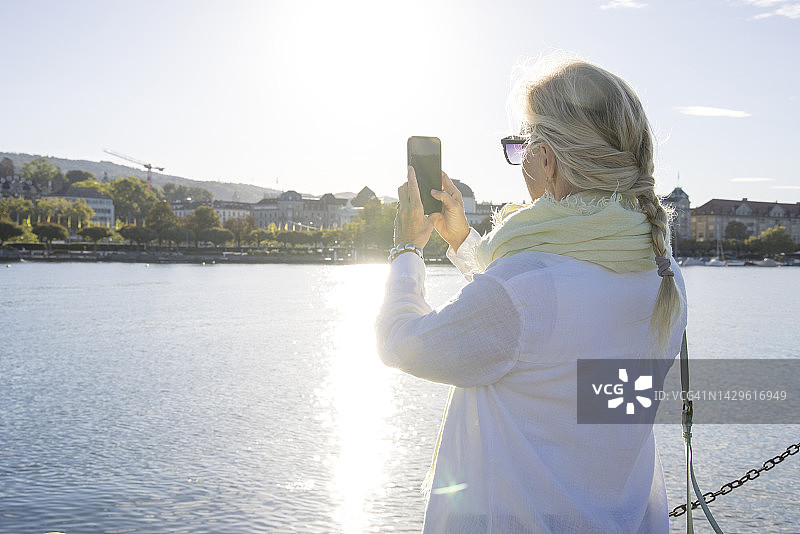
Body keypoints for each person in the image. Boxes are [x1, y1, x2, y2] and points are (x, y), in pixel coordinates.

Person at [375, 58, 687, 534]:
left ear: (549, 159)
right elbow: (543, 337)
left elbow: (399, 341)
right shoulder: (663, 276)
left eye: (521, 147)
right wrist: (462, 242)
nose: (520, 164)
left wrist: (406, 247)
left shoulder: (526, 290)